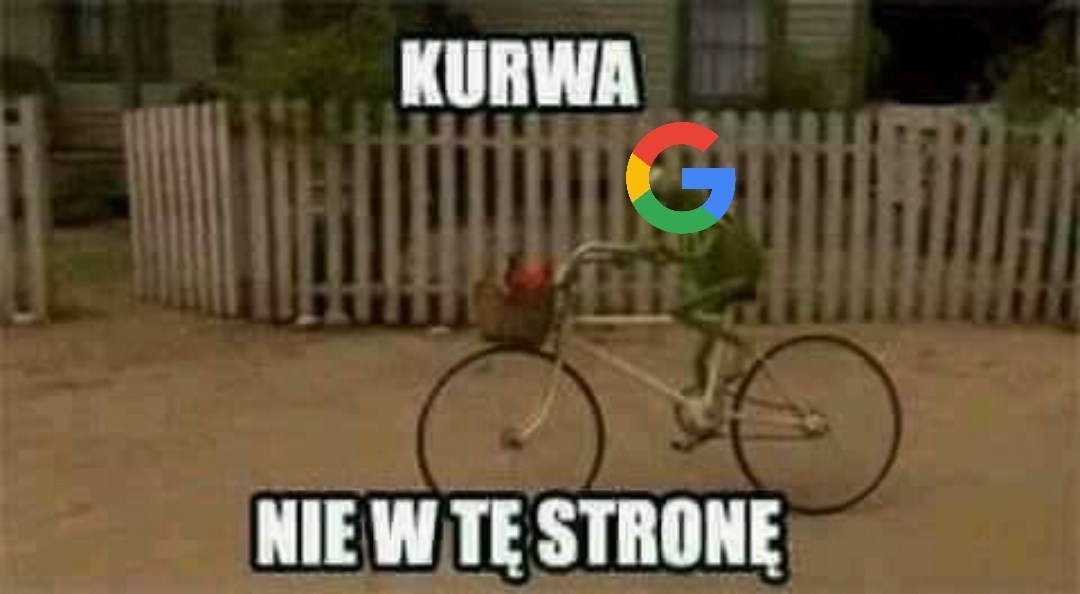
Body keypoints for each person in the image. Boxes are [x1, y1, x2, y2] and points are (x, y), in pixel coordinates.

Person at [622, 166, 766, 393]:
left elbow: (701, 254)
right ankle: (707, 399)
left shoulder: (709, 221)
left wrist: (672, 254)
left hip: (733, 280)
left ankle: (741, 343)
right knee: (698, 361)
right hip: (718, 284)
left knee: (678, 311)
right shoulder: (694, 220)